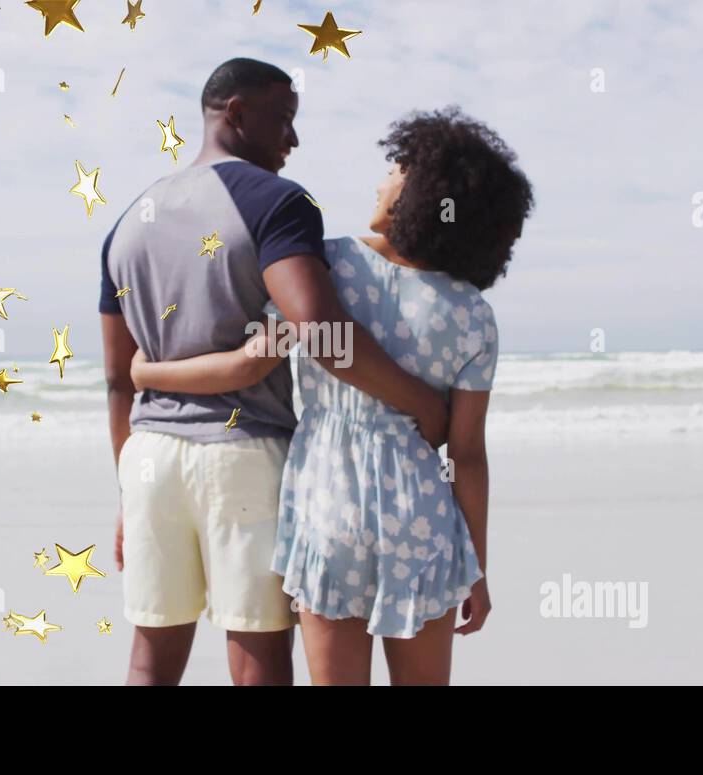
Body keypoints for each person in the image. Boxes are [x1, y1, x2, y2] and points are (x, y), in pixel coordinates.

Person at [130, 107, 534, 684]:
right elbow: (465, 453)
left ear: (423, 191)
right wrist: (479, 570)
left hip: (328, 509)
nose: (382, 178)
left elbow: (251, 362)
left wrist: (149, 374)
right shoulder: (472, 314)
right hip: (420, 524)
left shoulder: (326, 264)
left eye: (396, 169)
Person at [99, 58, 449, 686]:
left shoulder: (128, 221)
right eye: (284, 121)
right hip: (243, 455)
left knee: (149, 661)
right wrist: (421, 401)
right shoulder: (277, 202)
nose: (293, 139)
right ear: (237, 113)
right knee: (259, 658)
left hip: (148, 458)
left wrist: (128, 485)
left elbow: (120, 380)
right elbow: (320, 330)